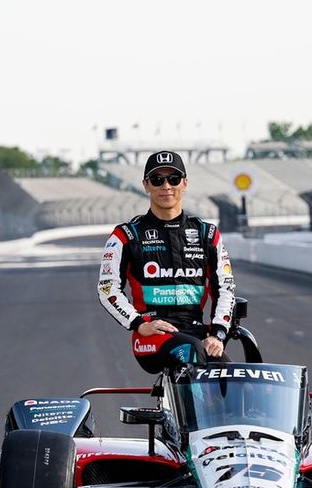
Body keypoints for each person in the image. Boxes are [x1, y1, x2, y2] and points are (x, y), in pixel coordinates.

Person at [98, 150, 236, 374]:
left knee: (237, 379)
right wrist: (138, 324)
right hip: (151, 336)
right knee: (191, 353)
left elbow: (225, 289)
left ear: (185, 183)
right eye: (157, 179)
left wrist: (218, 333)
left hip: (196, 332)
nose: (166, 186)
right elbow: (107, 289)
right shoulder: (126, 235)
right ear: (146, 185)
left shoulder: (206, 234)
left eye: (173, 179)